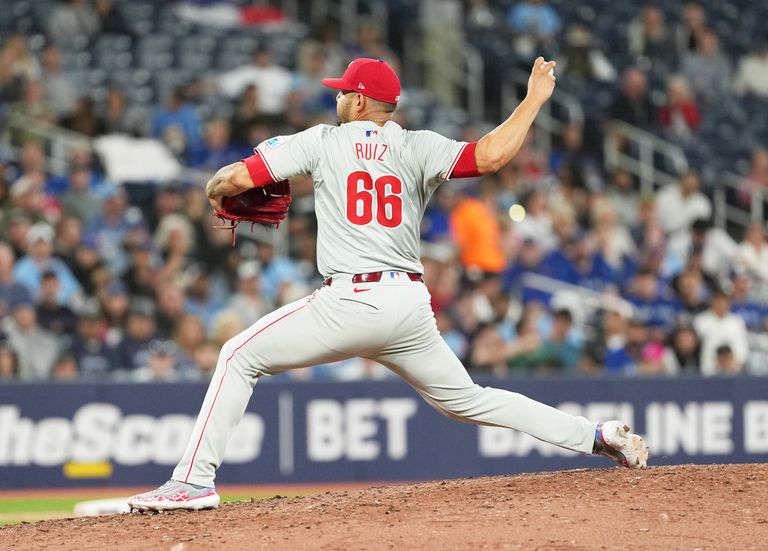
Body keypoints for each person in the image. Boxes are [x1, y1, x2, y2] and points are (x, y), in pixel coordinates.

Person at [128, 57, 648, 512]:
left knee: (238, 356)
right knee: (467, 398)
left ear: (358, 101)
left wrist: (216, 192)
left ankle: (192, 482)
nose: (335, 97)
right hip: (409, 306)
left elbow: (235, 180)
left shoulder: (322, 140)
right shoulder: (419, 146)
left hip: (351, 299)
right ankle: (598, 437)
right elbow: (489, 156)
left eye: (341, 91)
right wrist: (534, 100)